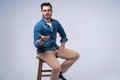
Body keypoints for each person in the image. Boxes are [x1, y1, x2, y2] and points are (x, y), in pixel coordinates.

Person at [33, 2, 80, 80]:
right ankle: (57, 72)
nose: (47, 12)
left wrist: (62, 44)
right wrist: (41, 40)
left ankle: (59, 73)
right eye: (44, 10)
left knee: (75, 55)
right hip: (44, 51)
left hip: (55, 48)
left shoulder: (56, 23)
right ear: (41, 12)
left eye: (49, 10)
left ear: (52, 11)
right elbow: (36, 43)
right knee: (56, 67)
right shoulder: (38, 26)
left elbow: (63, 35)